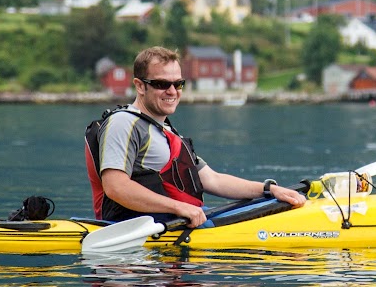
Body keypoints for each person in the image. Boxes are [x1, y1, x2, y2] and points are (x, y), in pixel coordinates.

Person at [84, 46, 306, 227]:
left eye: (178, 83)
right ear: (140, 86)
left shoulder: (166, 130)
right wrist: (179, 207)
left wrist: (269, 190)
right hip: (146, 227)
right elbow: (116, 187)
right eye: (162, 84)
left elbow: (213, 179)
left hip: (184, 219)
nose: (172, 91)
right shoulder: (123, 123)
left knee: (270, 207)